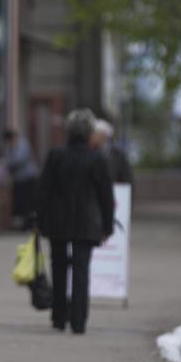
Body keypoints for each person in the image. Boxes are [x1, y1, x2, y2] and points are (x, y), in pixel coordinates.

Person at [37, 108, 115, 335]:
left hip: (58, 221)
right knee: (82, 271)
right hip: (87, 222)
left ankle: (59, 316)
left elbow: (44, 190)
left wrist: (38, 219)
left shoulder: (56, 155)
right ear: (90, 132)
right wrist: (107, 225)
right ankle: (79, 321)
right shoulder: (97, 158)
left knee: (59, 268)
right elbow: (105, 196)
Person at [2, 129, 40, 228]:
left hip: (28, 179)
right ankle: (22, 224)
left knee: (29, 203)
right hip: (18, 180)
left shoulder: (23, 144)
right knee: (20, 203)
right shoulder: (9, 146)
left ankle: (29, 224)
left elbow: (19, 160)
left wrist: (7, 163)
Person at [89, 119, 134, 187]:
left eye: (94, 134)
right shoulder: (90, 152)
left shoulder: (118, 155)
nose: (91, 137)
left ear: (103, 136)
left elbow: (126, 179)